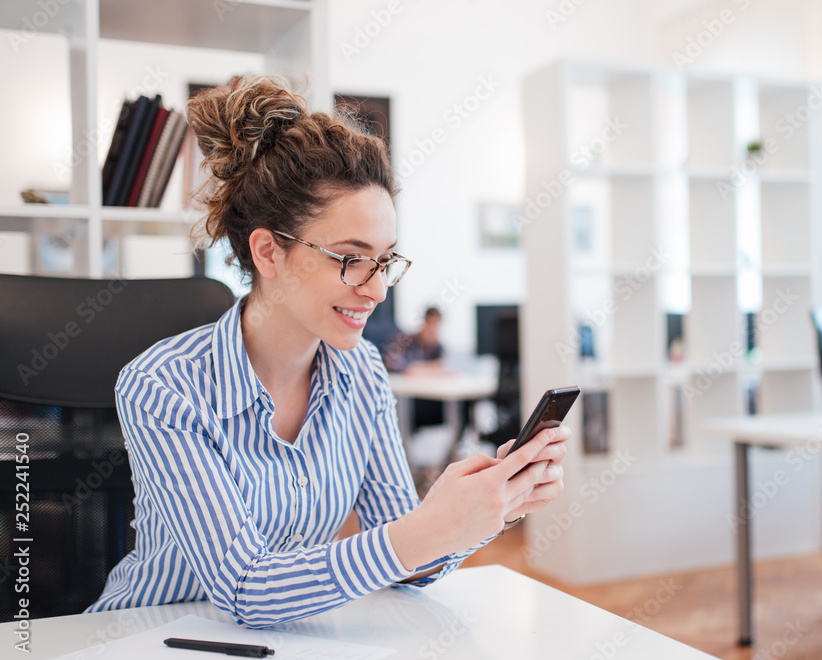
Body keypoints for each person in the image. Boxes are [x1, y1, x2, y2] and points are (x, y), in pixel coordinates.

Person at [85, 75, 568, 628]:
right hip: (147, 639)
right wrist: (428, 529)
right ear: (268, 252)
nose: (377, 287)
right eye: (349, 257)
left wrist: (486, 509)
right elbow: (245, 590)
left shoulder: (361, 371)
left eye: (385, 259)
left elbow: (408, 560)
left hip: (285, 642)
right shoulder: (163, 388)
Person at [383, 306, 445, 374]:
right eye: (430, 323)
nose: (433, 329)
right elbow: (391, 364)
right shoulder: (404, 341)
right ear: (424, 322)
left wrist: (419, 368)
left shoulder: (437, 348)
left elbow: (440, 367)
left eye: (436, 325)